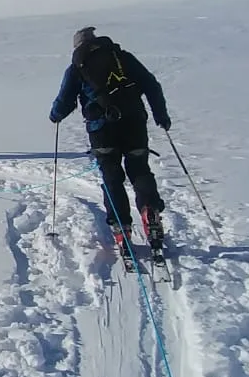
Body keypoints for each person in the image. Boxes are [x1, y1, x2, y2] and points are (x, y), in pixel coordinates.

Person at [49, 26, 171, 248]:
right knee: (139, 169)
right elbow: (151, 84)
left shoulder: (77, 67)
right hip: (134, 121)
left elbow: (65, 100)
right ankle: (149, 210)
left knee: (112, 176)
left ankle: (121, 226)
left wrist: (55, 115)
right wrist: (160, 115)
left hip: (101, 128)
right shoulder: (122, 58)